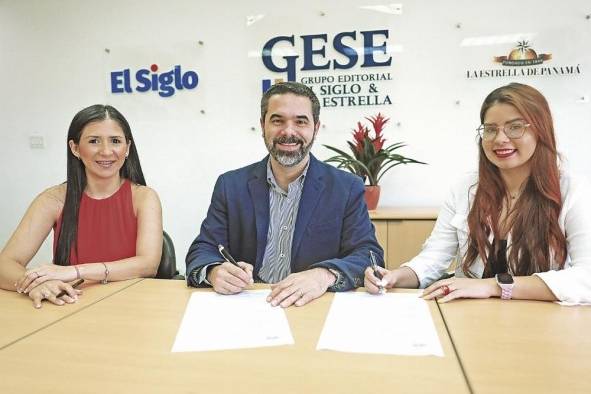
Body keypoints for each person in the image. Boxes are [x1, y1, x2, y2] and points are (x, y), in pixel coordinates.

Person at [365, 83, 591, 303]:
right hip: (469, 318)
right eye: (491, 129)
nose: (500, 138)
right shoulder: (464, 188)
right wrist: (395, 276)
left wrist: (493, 286)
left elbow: (586, 278)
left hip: (544, 322)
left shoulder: (574, 191)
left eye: (515, 127)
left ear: (541, 130)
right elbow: (433, 258)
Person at [186, 81, 383, 307]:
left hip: (311, 305)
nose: (288, 132)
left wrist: (324, 275)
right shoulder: (230, 185)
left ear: (316, 128)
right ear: (262, 126)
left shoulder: (346, 187)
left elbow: (369, 254)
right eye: (277, 120)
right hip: (246, 305)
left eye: (300, 121)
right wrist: (214, 271)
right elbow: (203, 249)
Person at [0, 104, 163, 308]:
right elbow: (4, 265)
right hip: (71, 305)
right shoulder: (52, 200)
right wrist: (35, 284)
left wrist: (75, 271)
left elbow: (148, 265)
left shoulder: (144, 197)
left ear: (128, 148)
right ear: (75, 148)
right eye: (94, 141)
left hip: (133, 305)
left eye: (115, 141)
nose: (106, 151)